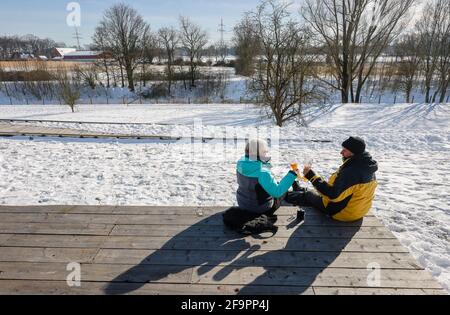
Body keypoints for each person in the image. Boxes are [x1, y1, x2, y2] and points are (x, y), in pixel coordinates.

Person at [301, 136, 378, 222]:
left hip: (344, 213)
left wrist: (312, 177)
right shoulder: (367, 165)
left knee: (308, 194)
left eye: (345, 150)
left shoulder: (352, 171)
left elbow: (333, 195)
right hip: (360, 210)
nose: (341, 152)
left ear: (353, 153)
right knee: (316, 192)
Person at [235, 139, 301, 215]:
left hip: (242, 203)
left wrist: (264, 164)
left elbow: (253, 170)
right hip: (260, 208)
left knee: (275, 185)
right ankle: (297, 195)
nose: (266, 152)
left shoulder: (240, 163)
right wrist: (292, 174)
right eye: (264, 151)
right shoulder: (263, 173)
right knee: (283, 191)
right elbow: (277, 192)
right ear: (254, 153)